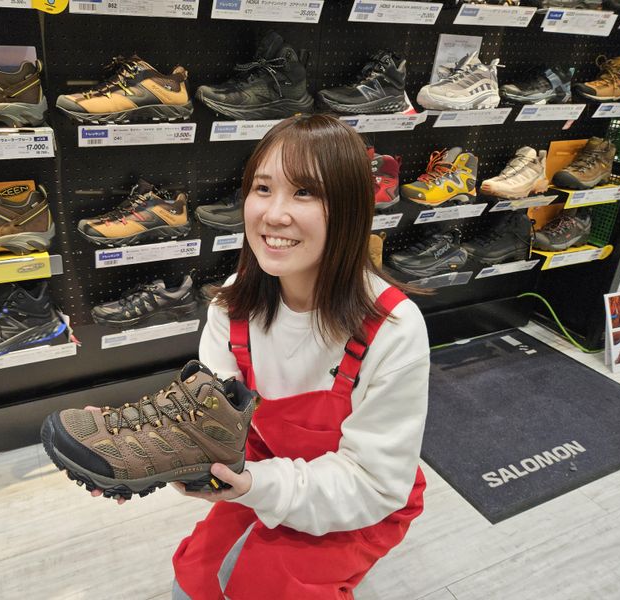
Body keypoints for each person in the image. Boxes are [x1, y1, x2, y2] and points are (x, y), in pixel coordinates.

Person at [169, 114, 430, 599]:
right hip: (263, 471)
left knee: (266, 590)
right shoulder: (233, 303)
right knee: (192, 583)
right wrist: (143, 451)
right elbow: (215, 421)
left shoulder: (393, 328)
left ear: (350, 209)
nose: (273, 214)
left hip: (361, 497)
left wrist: (256, 484)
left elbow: (374, 483)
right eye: (263, 188)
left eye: (305, 192)